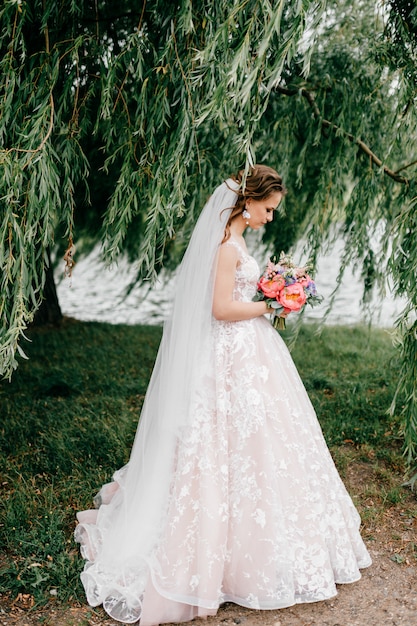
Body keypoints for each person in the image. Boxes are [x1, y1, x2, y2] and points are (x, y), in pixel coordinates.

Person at [75, 164, 371, 625]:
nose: (271, 217)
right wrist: (272, 303)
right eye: (269, 209)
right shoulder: (224, 246)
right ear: (249, 200)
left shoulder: (239, 240)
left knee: (264, 440)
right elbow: (220, 308)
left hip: (249, 351)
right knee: (222, 439)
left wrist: (274, 290)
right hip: (229, 352)